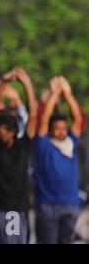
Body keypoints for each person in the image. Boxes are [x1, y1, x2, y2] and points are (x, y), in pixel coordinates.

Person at [0, 67, 37, 244]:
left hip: (14, 212)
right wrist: (3, 82)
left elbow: (33, 115)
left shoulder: (24, 144)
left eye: (0, 133)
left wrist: (26, 84)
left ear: (12, 132)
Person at [35, 76, 83, 244]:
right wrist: (54, 94)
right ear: (50, 131)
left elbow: (77, 118)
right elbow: (44, 118)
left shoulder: (71, 143)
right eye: (57, 129)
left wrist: (68, 95)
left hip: (71, 205)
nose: (61, 132)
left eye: (64, 128)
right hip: (48, 206)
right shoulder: (44, 144)